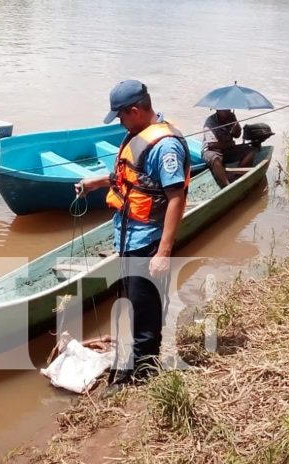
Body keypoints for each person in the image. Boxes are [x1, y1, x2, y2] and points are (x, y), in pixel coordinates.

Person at [76, 80, 190, 387]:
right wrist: (94, 183)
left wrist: (163, 253)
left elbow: (176, 197)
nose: (120, 123)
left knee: (146, 310)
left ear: (136, 111)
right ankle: (133, 363)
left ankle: (143, 376)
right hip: (128, 236)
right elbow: (130, 180)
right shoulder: (138, 136)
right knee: (131, 303)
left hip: (148, 242)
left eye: (121, 117)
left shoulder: (164, 147)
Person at [201, 109, 257, 187]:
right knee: (215, 159)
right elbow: (212, 145)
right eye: (224, 110)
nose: (227, 111)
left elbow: (237, 136)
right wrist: (230, 144)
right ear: (218, 110)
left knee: (251, 150)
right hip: (211, 150)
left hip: (227, 150)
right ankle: (227, 185)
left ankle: (237, 174)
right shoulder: (210, 121)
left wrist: (236, 129)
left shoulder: (232, 116)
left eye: (228, 109)